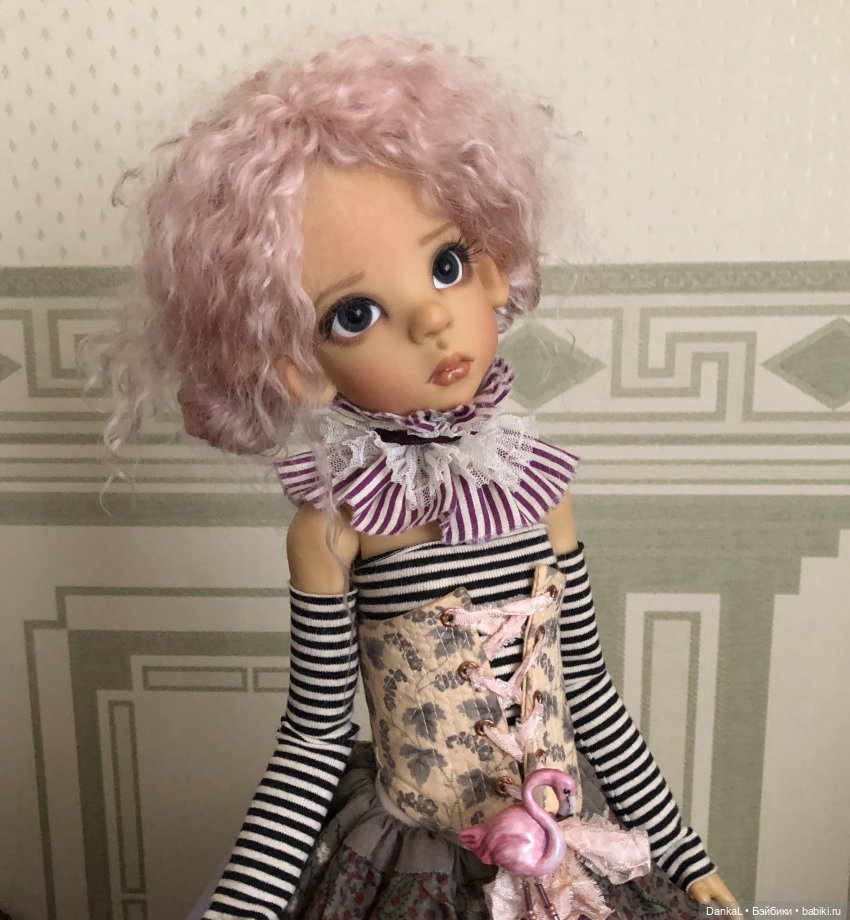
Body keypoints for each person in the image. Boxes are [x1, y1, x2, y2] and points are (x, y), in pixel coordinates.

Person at [92, 35, 736, 920]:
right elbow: (313, 738)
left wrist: (684, 853)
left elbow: (588, 693)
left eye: (447, 264)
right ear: (294, 367)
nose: (433, 319)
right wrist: (244, 905)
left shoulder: (538, 489)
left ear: (494, 264)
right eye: (355, 312)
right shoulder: (333, 528)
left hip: (567, 854)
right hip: (414, 870)